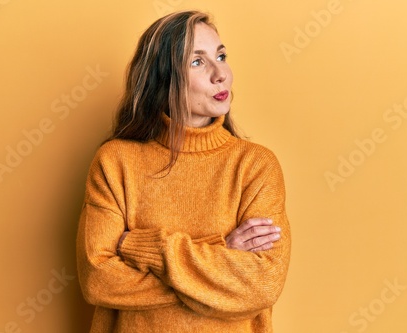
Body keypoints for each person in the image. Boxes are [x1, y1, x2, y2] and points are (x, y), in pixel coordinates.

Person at [76, 10, 291, 333]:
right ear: (162, 78)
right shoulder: (115, 162)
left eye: (221, 55)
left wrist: (143, 248)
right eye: (197, 62)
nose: (221, 74)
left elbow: (262, 284)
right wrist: (222, 254)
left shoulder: (255, 166)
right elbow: (98, 280)